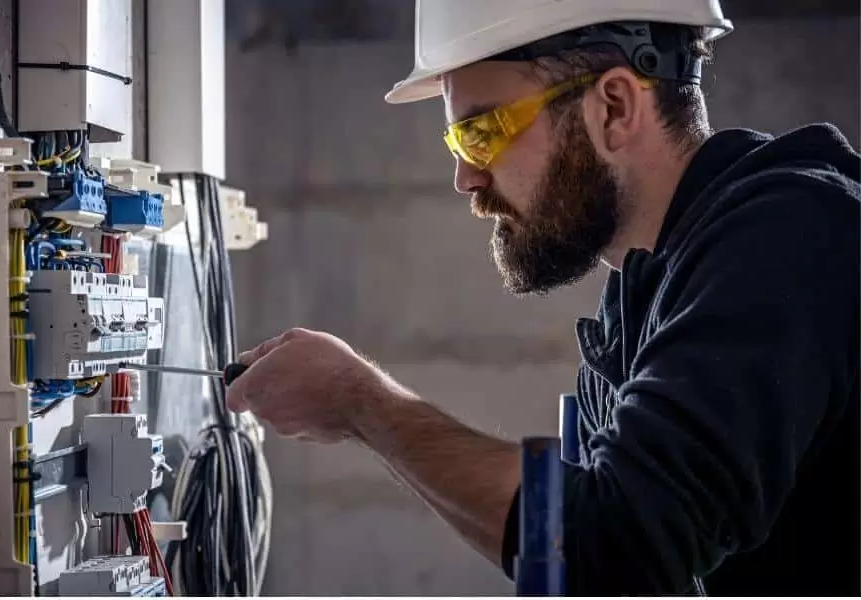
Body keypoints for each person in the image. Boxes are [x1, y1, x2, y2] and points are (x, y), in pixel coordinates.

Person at [225, 1, 860, 595]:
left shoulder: (793, 236)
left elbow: (613, 542)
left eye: (483, 132)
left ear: (613, 106)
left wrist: (364, 403)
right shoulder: (643, 301)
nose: (466, 178)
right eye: (459, 144)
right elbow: (583, 563)